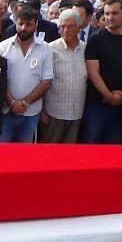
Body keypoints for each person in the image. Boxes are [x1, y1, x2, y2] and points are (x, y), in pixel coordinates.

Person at [81, 0, 122, 144]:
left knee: (116, 150)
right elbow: (93, 72)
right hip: (97, 104)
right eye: (107, 14)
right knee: (91, 146)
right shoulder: (96, 39)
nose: (110, 17)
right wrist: (108, 95)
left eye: (114, 13)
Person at [0, 9, 53, 143]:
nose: (23, 28)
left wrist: (25, 103)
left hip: (31, 113)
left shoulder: (45, 48)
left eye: (28, 24)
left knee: (23, 155)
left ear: (35, 25)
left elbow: (47, 81)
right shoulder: (3, 47)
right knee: (2, 151)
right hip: (6, 111)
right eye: (20, 24)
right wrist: (12, 103)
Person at [40, 9, 86, 143]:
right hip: (54, 112)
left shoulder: (85, 49)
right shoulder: (50, 49)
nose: (65, 30)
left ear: (78, 27)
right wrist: (42, 110)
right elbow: (43, 80)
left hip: (77, 112)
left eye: (69, 26)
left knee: (70, 155)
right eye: (62, 26)